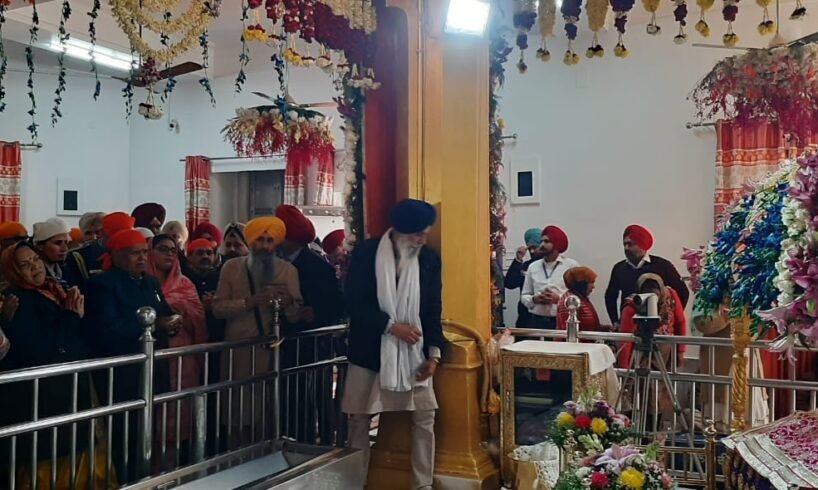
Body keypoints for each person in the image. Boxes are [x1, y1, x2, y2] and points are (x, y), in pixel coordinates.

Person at [342, 199, 445, 490]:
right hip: (368, 350)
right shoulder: (368, 252)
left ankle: (422, 484)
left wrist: (434, 355)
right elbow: (353, 301)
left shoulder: (428, 259)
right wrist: (391, 327)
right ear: (401, 231)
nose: (422, 240)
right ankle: (355, 483)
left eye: (425, 234)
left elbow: (433, 308)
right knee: (359, 419)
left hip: (414, 352)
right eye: (417, 234)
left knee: (425, 418)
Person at [0, 241, 98, 488]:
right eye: (25, 265)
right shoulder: (20, 301)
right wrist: (70, 316)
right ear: (13, 271)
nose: (35, 267)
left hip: (66, 391)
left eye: (35, 259)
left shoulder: (52, 290)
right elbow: (39, 351)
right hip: (43, 398)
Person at [85, 228, 178, 484]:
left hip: (152, 368)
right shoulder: (103, 285)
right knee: (123, 433)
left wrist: (172, 322)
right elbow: (107, 328)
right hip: (122, 373)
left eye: (144, 253)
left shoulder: (150, 282)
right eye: (134, 253)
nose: (141, 258)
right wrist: (154, 325)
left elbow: (163, 311)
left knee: (148, 428)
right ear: (117, 255)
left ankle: (145, 478)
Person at [212, 216, 302, 446]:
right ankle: (237, 460)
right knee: (237, 413)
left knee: (267, 413)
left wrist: (288, 304)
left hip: (271, 353)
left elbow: (295, 316)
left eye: (269, 240)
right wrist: (249, 302)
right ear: (251, 242)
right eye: (259, 240)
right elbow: (218, 308)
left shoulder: (288, 271)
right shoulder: (231, 268)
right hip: (237, 352)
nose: (264, 246)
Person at [275, 205, 345, 443]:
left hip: (310, 346)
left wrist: (314, 313)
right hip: (284, 345)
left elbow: (336, 306)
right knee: (286, 399)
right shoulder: (275, 262)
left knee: (309, 399)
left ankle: (309, 444)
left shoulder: (317, 266)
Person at [147, 234, 207, 469]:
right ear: (150, 251)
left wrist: (182, 312)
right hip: (154, 355)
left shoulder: (185, 284)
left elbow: (199, 318)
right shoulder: (142, 282)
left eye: (173, 250)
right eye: (163, 249)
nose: (169, 254)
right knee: (151, 416)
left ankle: (171, 472)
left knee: (177, 415)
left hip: (182, 358)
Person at [605, 225, 689, 325]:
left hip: (658, 325)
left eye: (630, 244)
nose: (626, 248)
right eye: (624, 244)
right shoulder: (619, 268)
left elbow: (683, 292)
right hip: (628, 325)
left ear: (642, 245)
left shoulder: (662, 266)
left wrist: (672, 317)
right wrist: (615, 321)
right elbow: (610, 296)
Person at [617, 273, 687, 370]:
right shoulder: (633, 305)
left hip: (666, 351)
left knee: (662, 378)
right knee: (643, 377)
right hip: (641, 352)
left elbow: (680, 322)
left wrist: (680, 351)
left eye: (655, 296)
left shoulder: (670, 296)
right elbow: (625, 339)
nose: (652, 300)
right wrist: (623, 368)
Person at [520, 226, 579, 330]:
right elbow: (524, 295)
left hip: (562, 321)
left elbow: (580, 298)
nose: (542, 245)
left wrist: (559, 300)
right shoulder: (533, 267)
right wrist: (534, 299)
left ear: (557, 243)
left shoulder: (571, 266)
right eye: (541, 241)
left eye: (546, 242)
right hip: (536, 322)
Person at [64, 211, 135, 291]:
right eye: (88, 233)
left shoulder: (132, 254)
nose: (94, 237)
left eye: (97, 232)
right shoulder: (77, 257)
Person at [504, 228, 545, 328]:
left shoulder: (550, 266)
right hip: (525, 317)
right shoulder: (525, 266)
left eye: (535, 247)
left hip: (544, 318)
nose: (532, 251)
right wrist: (518, 259)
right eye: (530, 248)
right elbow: (509, 284)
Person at [557, 266, 604, 338]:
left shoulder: (582, 299)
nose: (593, 286)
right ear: (581, 284)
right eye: (591, 282)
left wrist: (605, 328)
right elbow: (568, 331)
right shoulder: (571, 300)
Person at [32, 217, 71, 283]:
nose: (64, 249)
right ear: (40, 245)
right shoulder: (34, 273)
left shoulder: (67, 270)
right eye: (58, 243)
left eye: (66, 243)